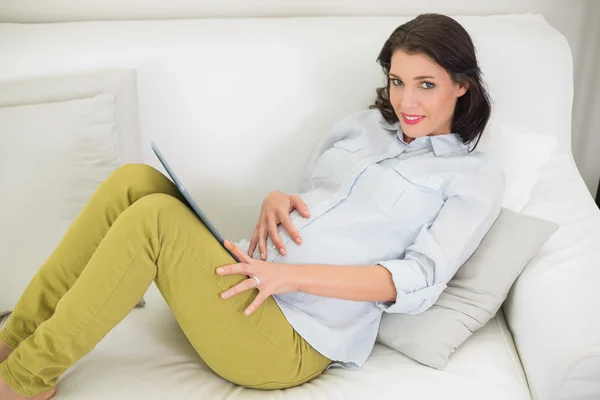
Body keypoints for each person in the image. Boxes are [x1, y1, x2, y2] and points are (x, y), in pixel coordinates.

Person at [0, 13, 503, 400]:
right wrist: (277, 198)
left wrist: (290, 279)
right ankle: (14, 340)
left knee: (154, 221)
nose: (406, 101)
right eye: (398, 81)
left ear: (461, 84)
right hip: (247, 280)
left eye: (426, 85)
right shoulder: (362, 127)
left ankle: (25, 379)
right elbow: (320, 205)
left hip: (289, 340)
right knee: (135, 181)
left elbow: (416, 280)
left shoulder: (474, 178)